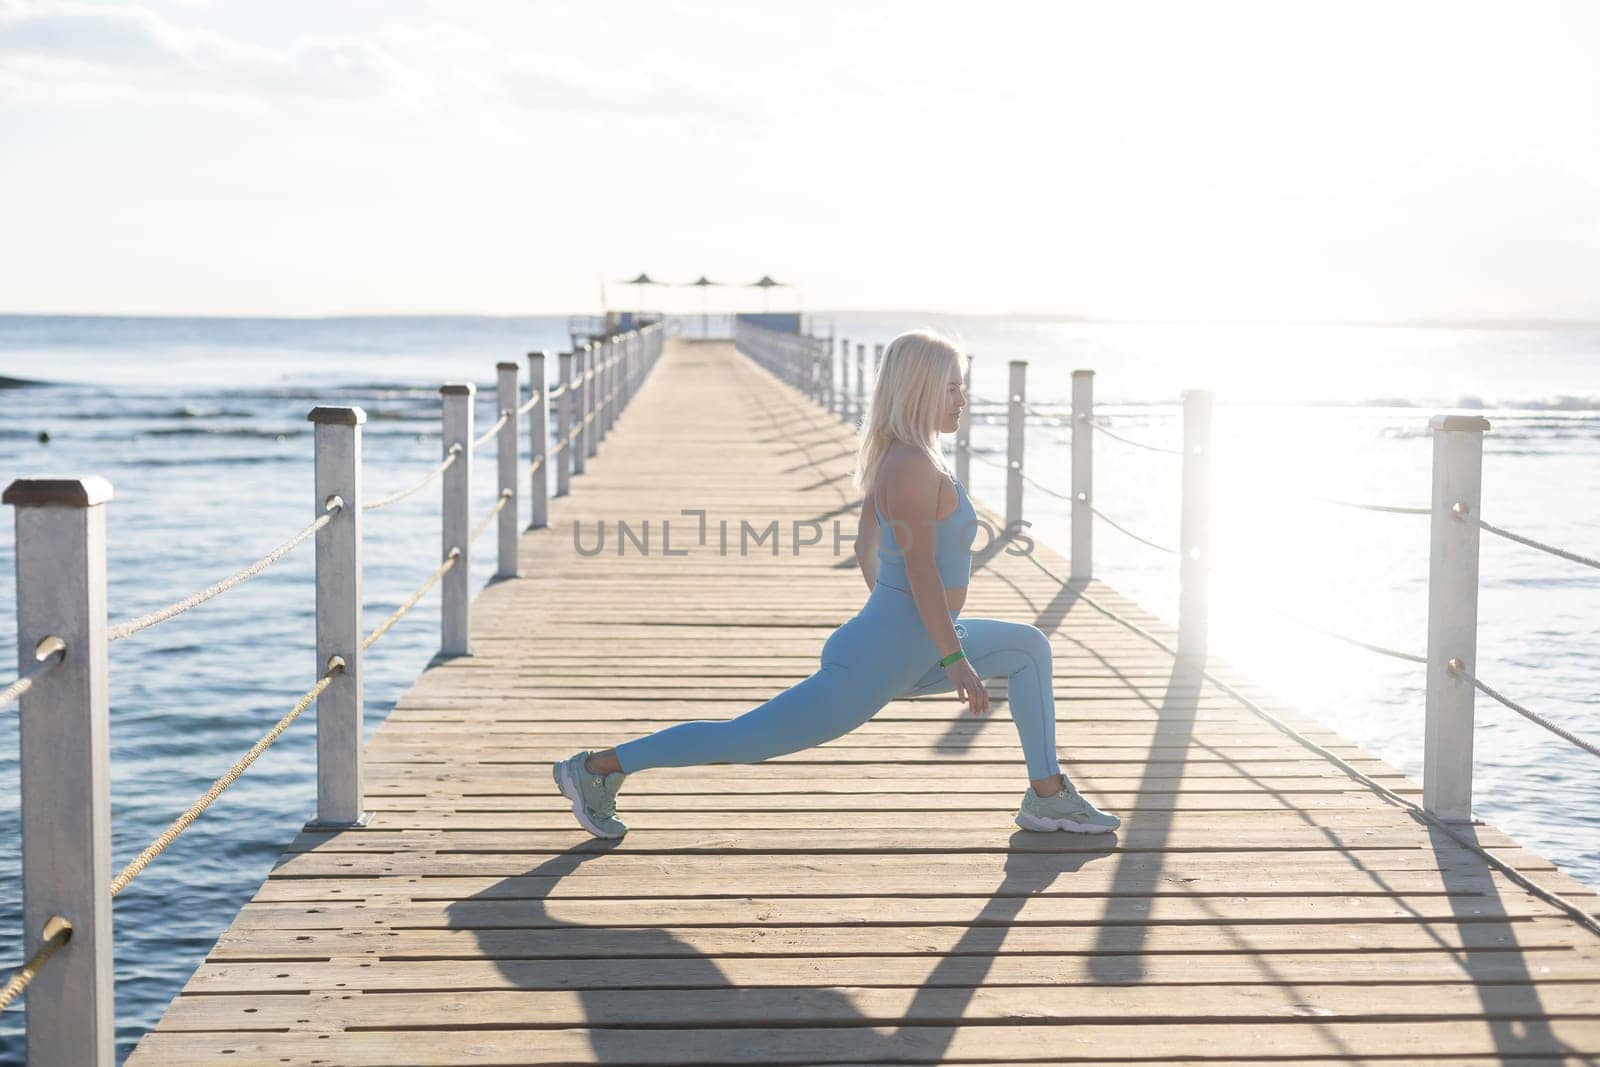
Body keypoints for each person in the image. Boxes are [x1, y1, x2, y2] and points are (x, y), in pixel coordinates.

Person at [552, 328, 1120, 839]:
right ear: (919, 390)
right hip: (893, 650)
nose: (962, 400)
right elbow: (919, 569)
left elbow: (864, 548)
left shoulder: (910, 458)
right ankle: (596, 768)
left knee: (1028, 648)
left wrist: (899, 627)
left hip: (908, 641)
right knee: (743, 739)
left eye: (961, 386)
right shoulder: (909, 465)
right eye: (950, 388)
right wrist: (945, 657)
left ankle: (1047, 799)